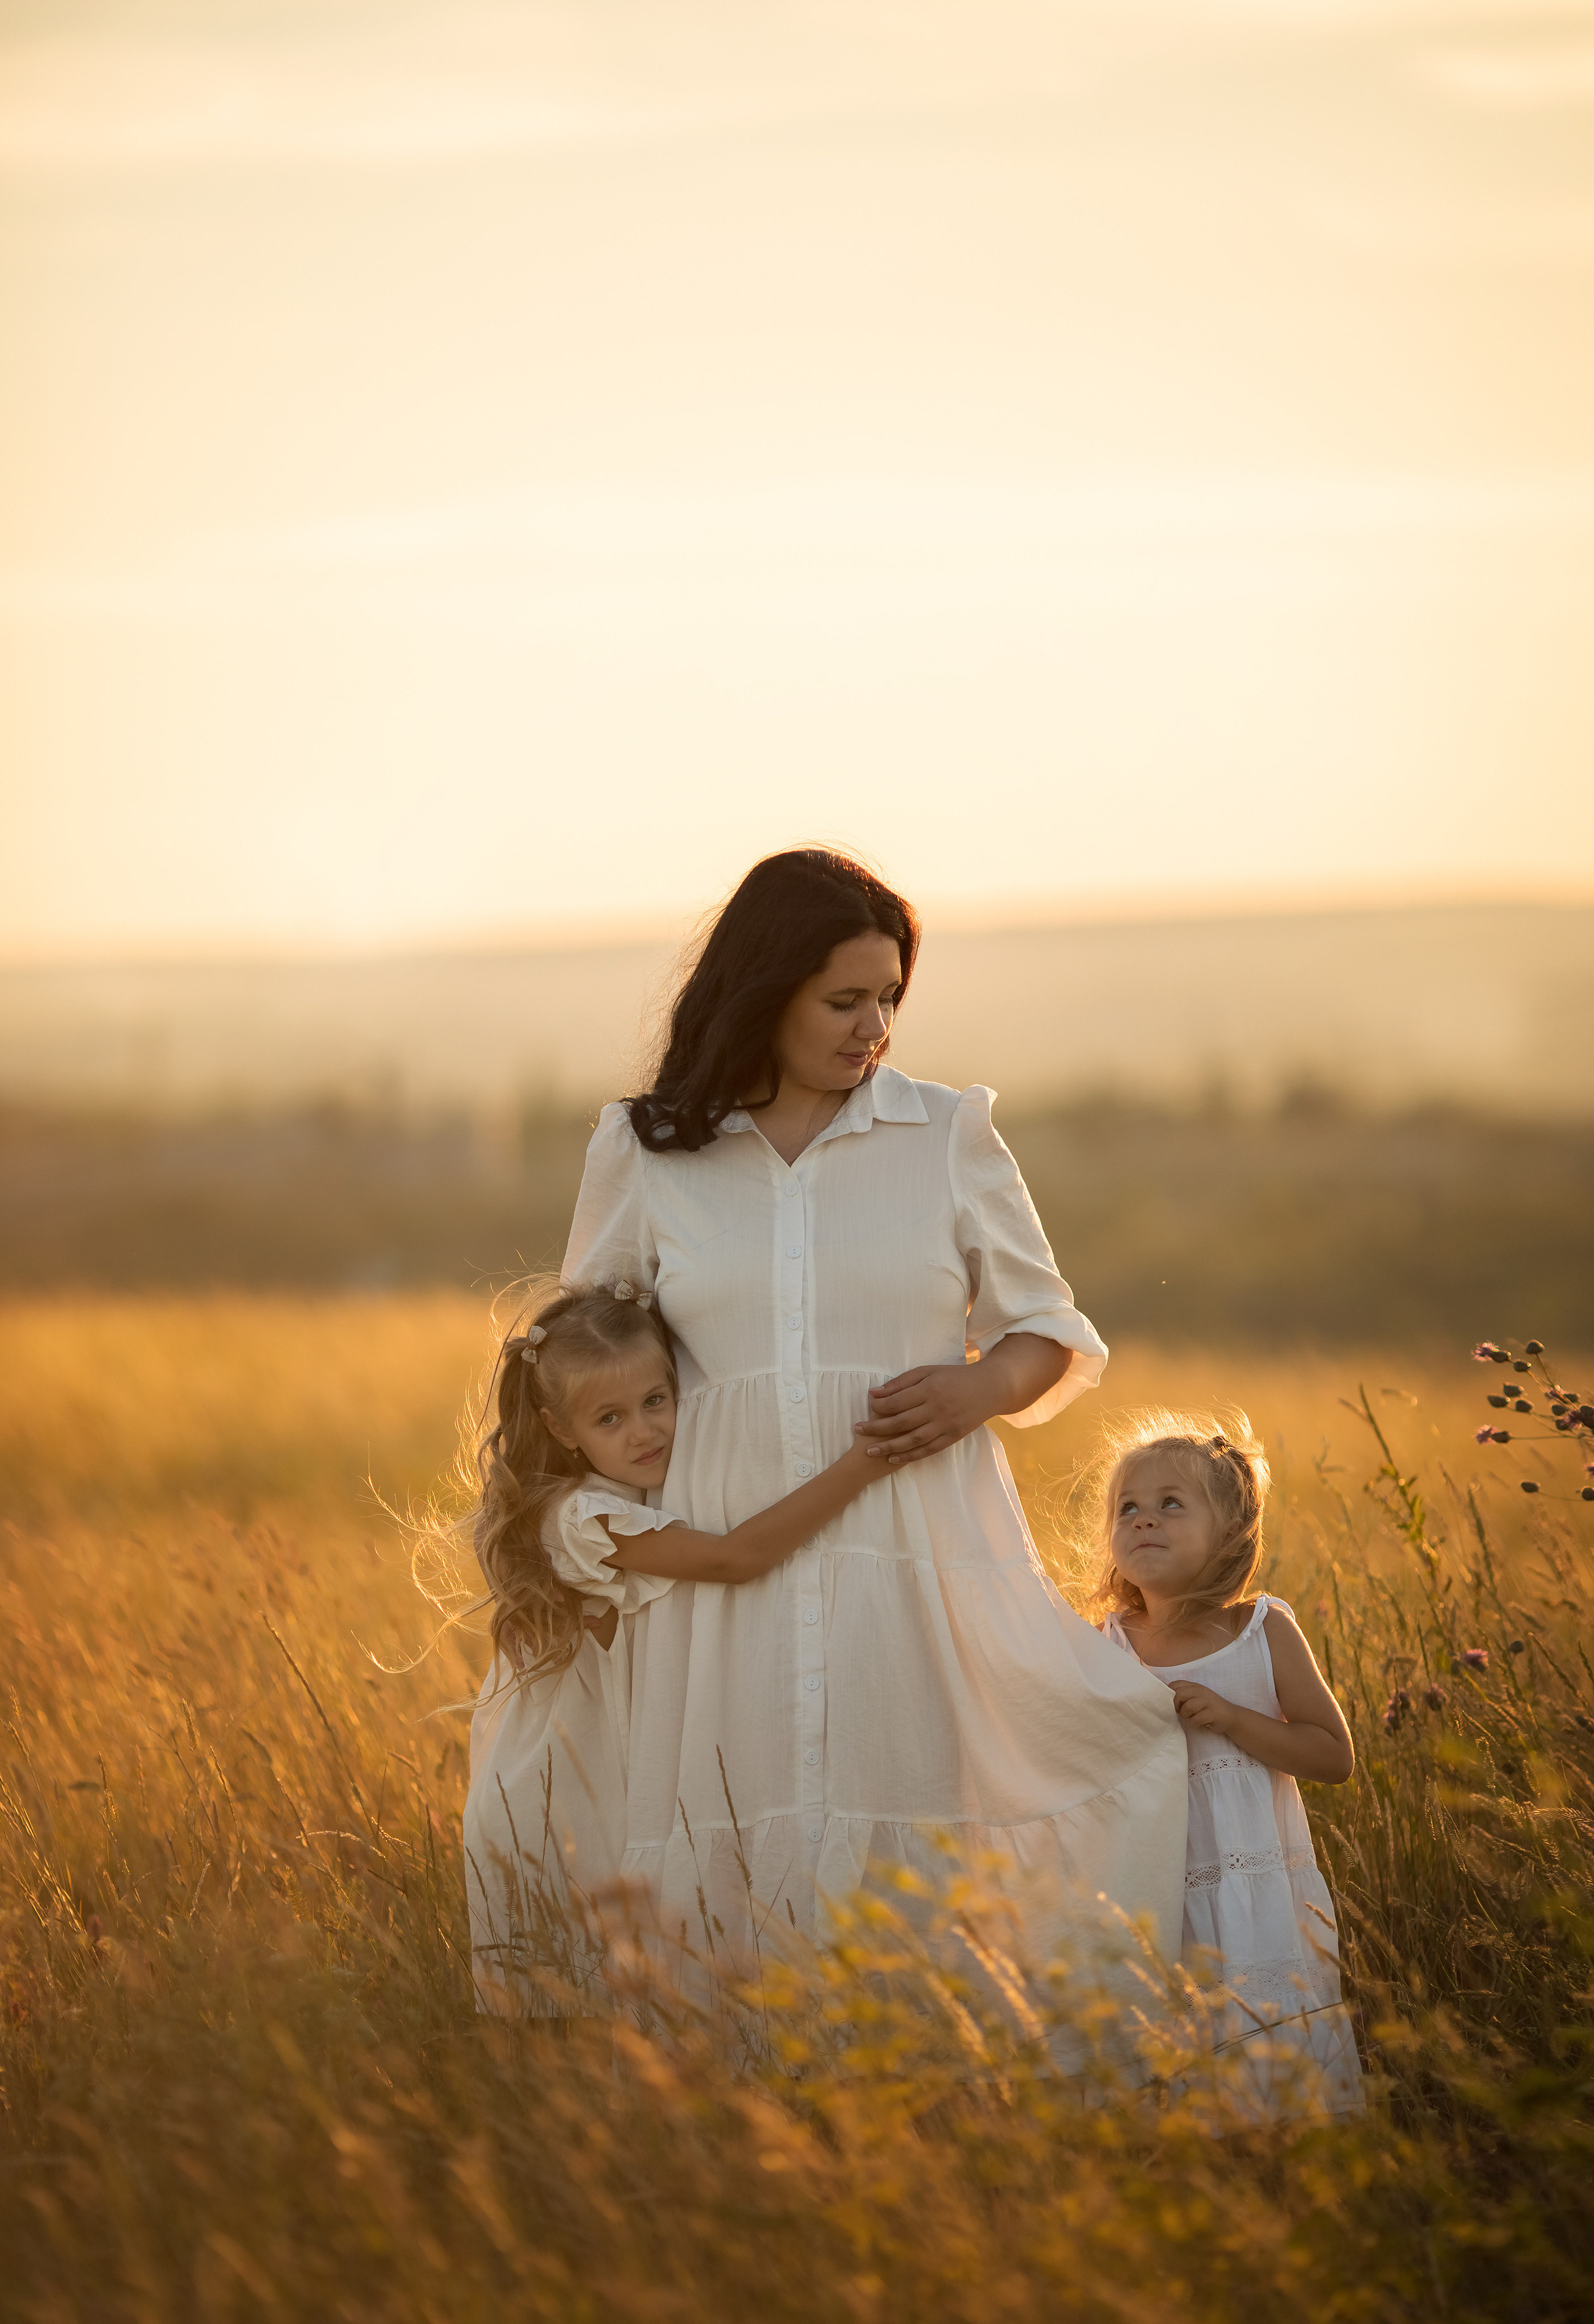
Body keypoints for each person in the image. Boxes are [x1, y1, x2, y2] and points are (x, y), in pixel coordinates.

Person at [560, 846, 1189, 1975]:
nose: (874, 1027)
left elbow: (1048, 1327)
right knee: (735, 1834)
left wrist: (980, 1387)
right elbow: (581, 1359)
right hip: (723, 1564)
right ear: (764, 994)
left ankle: (943, 2112)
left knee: (919, 1831)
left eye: (890, 997)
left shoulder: (944, 1133)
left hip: (917, 1548)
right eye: (844, 999)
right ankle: (745, 2133)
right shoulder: (648, 1148)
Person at [463, 1276, 882, 2015]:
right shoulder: (580, 1514)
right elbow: (734, 1559)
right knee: (568, 2002)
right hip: (562, 1794)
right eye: (610, 1418)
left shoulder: (643, 1495)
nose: (644, 1432)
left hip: (615, 1779)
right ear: (563, 1432)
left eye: (656, 1402)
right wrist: (865, 1462)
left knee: (622, 1985)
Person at [1090, 1415, 1364, 2113]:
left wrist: (1237, 1721)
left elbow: (1332, 1756)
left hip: (1253, 1889)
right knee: (1169, 2048)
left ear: (1231, 1529)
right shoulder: (1103, 1646)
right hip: (1153, 1889)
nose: (1143, 1521)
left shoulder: (1260, 1631)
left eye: (1170, 1504)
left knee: (1265, 2062)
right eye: (1128, 1508)